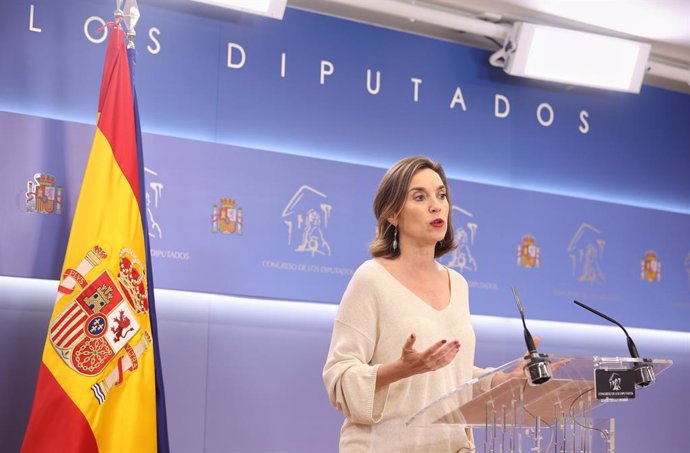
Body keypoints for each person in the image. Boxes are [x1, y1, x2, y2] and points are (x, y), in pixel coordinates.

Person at [323, 156, 495, 452]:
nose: (436, 205)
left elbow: (451, 376)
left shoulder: (459, 284)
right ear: (392, 214)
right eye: (420, 196)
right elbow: (339, 377)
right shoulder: (371, 278)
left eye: (441, 195)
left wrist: (507, 379)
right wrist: (400, 369)